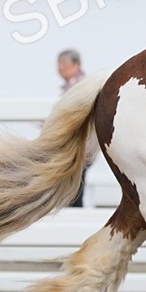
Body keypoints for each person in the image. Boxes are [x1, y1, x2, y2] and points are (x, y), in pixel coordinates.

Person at [57, 49, 88, 206]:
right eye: (59, 63)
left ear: (76, 65)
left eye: (63, 63)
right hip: (81, 147)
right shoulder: (76, 85)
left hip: (78, 146)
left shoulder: (78, 86)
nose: (60, 67)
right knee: (74, 187)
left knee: (73, 188)